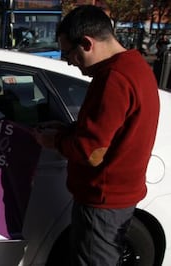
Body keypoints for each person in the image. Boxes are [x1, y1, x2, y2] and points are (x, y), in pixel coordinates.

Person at [32, 5, 159, 266]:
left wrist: (53, 141)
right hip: (117, 198)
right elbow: (111, 131)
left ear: (87, 43)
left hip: (102, 201)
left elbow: (92, 151)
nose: (68, 61)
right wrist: (67, 130)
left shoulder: (112, 78)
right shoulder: (137, 66)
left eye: (69, 53)